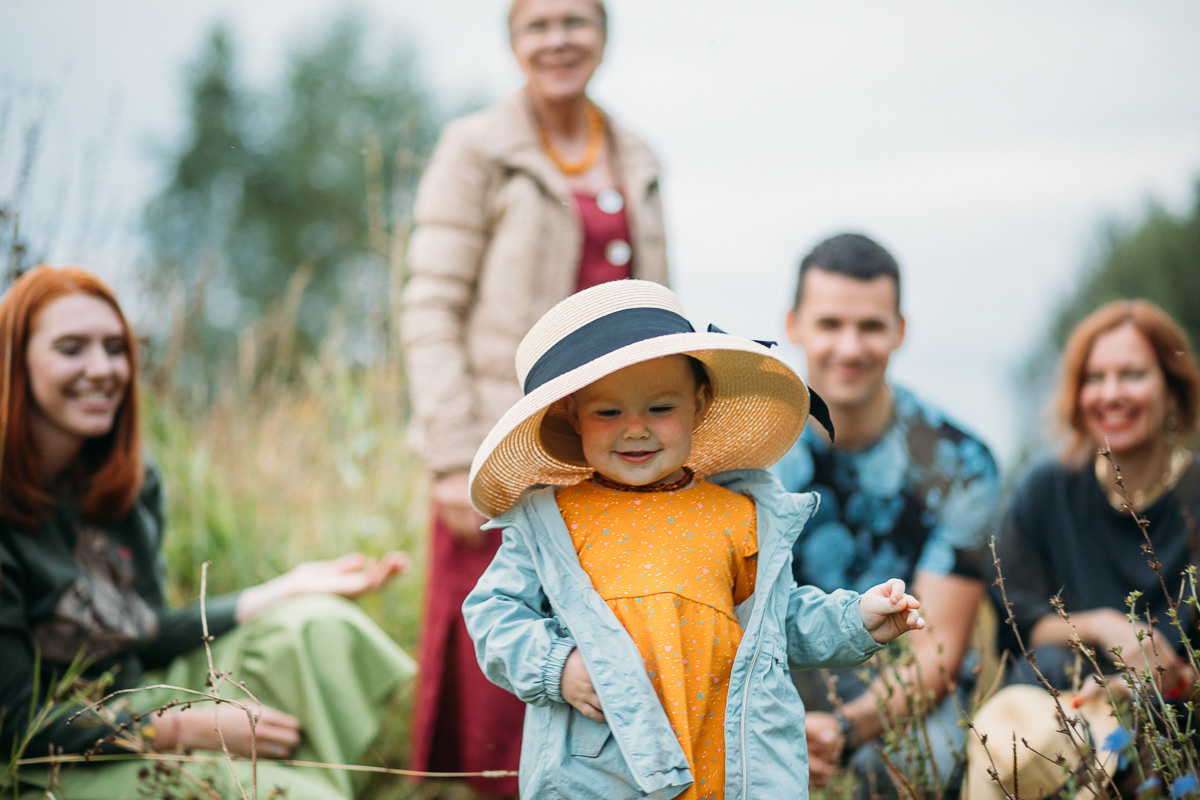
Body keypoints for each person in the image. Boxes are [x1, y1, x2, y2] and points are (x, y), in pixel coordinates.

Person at [461, 279, 926, 800]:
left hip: (724, 758)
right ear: (572, 415)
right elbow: (493, 615)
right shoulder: (551, 522)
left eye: (661, 408)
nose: (635, 429)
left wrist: (854, 620)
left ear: (699, 403)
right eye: (608, 412)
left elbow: (776, 625)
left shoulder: (736, 514)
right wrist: (556, 667)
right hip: (601, 766)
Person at [0, 266, 416, 799]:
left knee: (314, 624)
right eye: (71, 348)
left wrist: (284, 589)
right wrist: (172, 725)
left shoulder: (127, 480)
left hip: (136, 690)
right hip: (46, 756)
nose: (102, 369)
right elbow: (14, 726)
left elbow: (144, 633)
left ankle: (301, 786)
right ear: (17, 361)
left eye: (115, 347)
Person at [400, 0, 669, 793]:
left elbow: (660, 306)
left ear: (604, 34)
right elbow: (431, 305)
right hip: (503, 447)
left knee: (602, 641)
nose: (559, 40)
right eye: (538, 24)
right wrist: (453, 457)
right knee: (503, 652)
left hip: (612, 449)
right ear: (513, 41)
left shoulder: (638, 153)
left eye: (576, 21)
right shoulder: (476, 147)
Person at [771, 232, 1001, 797]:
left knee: (929, 758)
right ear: (793, 325)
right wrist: (776, 730)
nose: (850, 347)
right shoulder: (746, 451)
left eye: (871, 326)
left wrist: (841, 733)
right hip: (773, 683)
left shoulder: (960, 462)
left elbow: (939, 649)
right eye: (829, 325)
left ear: (900, 330)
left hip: (900, 686)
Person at [968, 299, 1200, 797]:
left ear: (1173, 390)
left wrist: (1164, 686)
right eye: (1095, 378)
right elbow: (1018, 622)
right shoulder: (1044, 491)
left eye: (1132, 375)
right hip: (1062, 724)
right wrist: (1104, 627)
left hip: (1181, 730)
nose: (1110, 394)